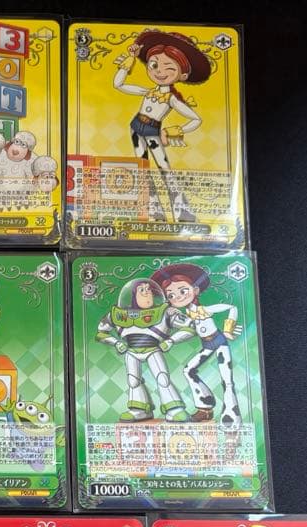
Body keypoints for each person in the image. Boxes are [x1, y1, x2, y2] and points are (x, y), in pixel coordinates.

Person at [112, 30, 212, 223]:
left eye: (169, 68)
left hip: (152, 131)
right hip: (136, 127)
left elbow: (196, 119)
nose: (159, 72)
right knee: (143, 169)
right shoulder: (148, 91)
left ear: (183, 75)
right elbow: (118, 84)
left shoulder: (171, 98)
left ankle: (183, 212)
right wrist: (129, 61)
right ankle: (154, 211)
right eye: (154, 65)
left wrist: (172, 131)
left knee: (165, 170)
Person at [152, 263, 243, 427]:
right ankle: (205, 407)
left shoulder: (205, 310)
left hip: (219, 342)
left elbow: (231, 307)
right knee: (188, 370)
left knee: (227, 380)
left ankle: (231, 416)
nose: (177, 297)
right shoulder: (185, 314)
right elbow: (185, 329)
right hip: (207, 345)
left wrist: (228, 329)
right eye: (171, 295)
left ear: (195, 290)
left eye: (182, 291)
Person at [96, 277, 188, 422]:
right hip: (131, 352)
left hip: (153, 350)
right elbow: (101, 333)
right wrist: (116, 342)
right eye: (142, 290)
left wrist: (171, 341)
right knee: (133, 381)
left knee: (163, 378)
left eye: (149, 289)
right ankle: (139, 409)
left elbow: (190, 327)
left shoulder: (166, 312)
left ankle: (174, 409)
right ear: (133, 295)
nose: (147, 293)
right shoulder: (118, 314)